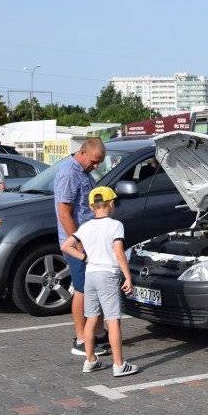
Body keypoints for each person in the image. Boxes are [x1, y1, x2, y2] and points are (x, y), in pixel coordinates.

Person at [60, 186, 138, 377]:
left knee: (91, 318)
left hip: (91, 275)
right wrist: (127, 276)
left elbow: (66, 246)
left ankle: (90, 360)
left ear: (92, 207)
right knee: (113, 320)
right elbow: (119, 252)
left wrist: (85, 258)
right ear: (111, 203)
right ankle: (119, 365)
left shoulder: (85, 227)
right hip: (108, 275)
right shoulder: (115, 225)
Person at [54, 137, 108, 356]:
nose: (95, 167)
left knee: (94, 288)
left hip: (90, 241)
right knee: (82, 290)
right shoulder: (69, 173)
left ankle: (98, 334)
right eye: (94, 162)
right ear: (83, 152)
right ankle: (80, 339)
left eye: (99, 164)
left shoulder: (83, 171)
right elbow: (65, 214)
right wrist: (80, 244)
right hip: (79, 245)